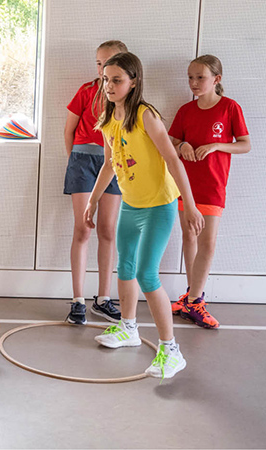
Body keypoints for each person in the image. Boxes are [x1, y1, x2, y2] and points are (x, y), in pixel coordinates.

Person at [84, 52, 205, 379]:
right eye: (106, 79)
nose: (109, 85)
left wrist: (190, 205)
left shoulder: (145, 115)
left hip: (158, 206)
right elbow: (109, 164)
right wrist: (93, 201)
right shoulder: (110, 118)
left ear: (133, 81)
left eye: (117, 80)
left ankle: (171, 350)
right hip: (131, 205)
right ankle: (128, 328)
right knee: (125, 268)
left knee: (147, 275)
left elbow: (173, 160)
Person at [167, 55, 250, 329]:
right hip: (186, 186)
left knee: (208, 242)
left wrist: (216, 146)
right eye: (190, 77)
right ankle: (192, 298)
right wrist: (182, 146)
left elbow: (245, 144)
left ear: (217, 79)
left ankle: (194, 301)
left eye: (200, 77)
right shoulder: (185, 111)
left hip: (213, 187)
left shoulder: (229, 108)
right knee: (189, 237)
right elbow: (172, 139)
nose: (193, 83)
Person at [62, 40, 128, 324]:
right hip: (82, 161)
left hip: (114, 165)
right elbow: (69, 129)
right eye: (99, 63)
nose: (102, 68)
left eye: (109, 62)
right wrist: (74, 161)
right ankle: (77, 300)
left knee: (108, 231)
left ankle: (103, 298)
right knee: (82, 230)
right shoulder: (86, 91)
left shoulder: (125, 97)